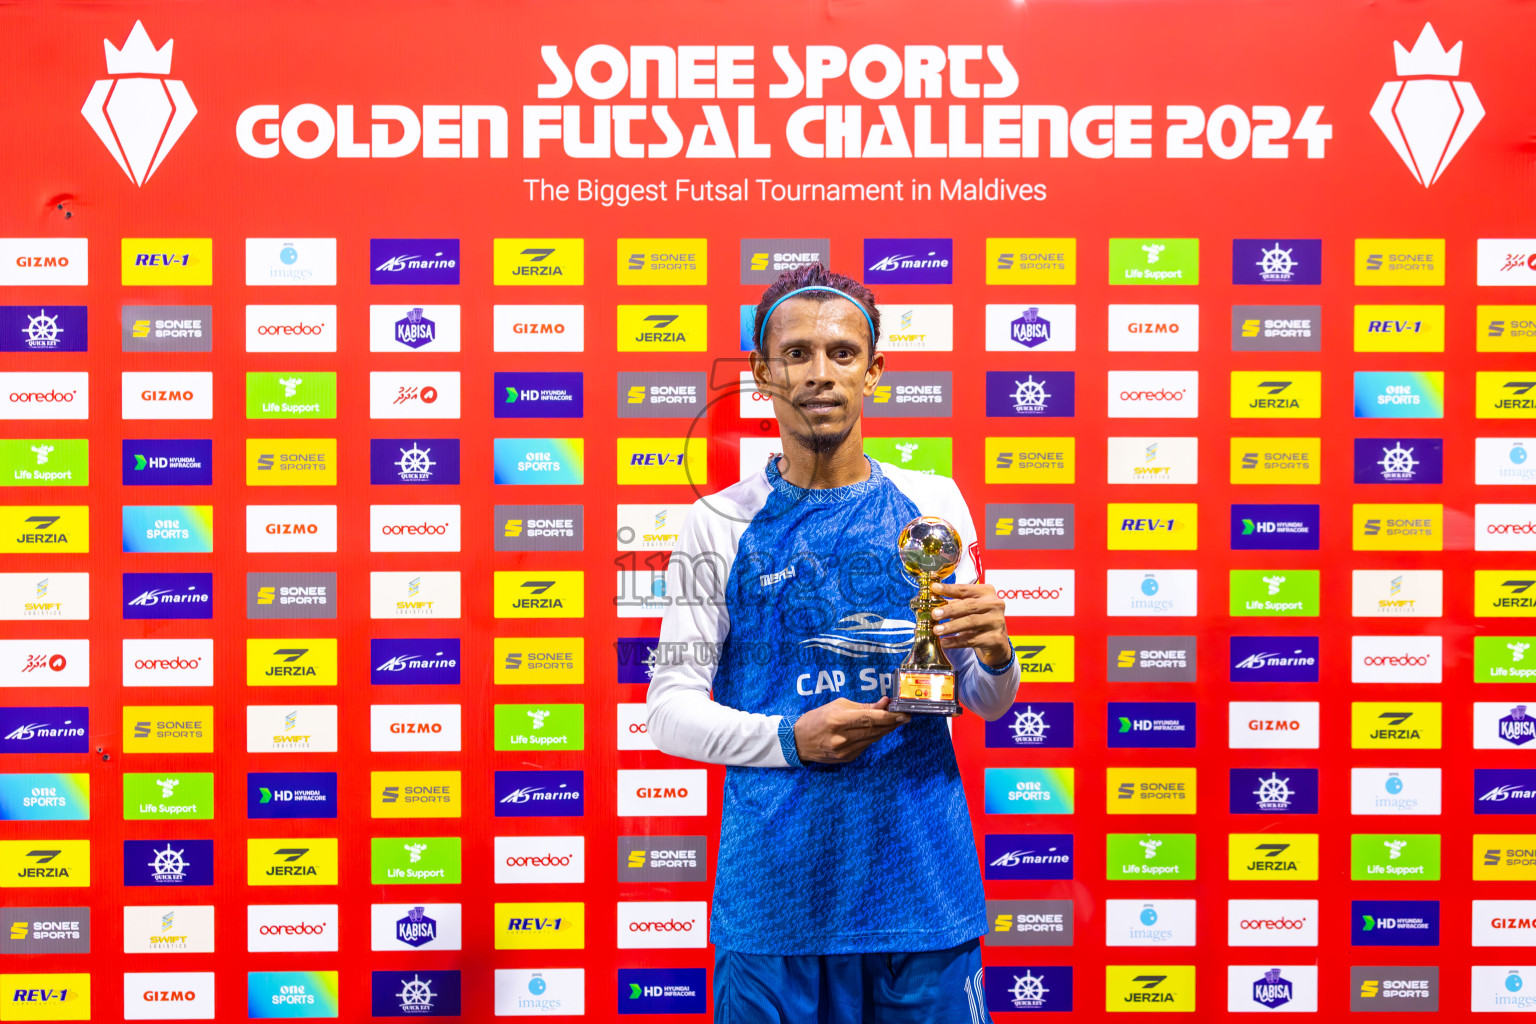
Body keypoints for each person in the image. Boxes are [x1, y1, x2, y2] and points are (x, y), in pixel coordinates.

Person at [646, 263, 1021, 1023]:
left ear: (875, 371)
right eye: (798, 353)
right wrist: (792, 738)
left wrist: (996, 652)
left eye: (843, 353)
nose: (821, 374)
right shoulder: (718, 521)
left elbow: (984, 702)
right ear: (762, 374)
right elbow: (667, 711)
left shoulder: (934, 500)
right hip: (774, 899)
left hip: (921, 885)